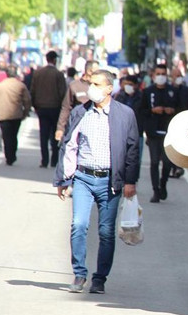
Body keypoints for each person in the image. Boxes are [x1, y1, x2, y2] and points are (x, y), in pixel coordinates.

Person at [54, 69, 139, 294]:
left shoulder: (125, 114)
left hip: (110, 181)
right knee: (78, 224)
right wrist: (62, 178)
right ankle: (79, 274)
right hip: (83, 178)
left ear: (109, 89)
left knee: (106, 231)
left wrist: (130, 181)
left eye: (97, 84)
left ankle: (100, 278)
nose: (91, 88)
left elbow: (132, 150)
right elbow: (68, 145)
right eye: (90, 83)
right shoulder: (81, 113)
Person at [140, 64, 180, 203]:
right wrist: (152, 111)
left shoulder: (173, 91)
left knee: (168, 162)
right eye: (158, 73)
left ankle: (163, 183)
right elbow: (142, 110)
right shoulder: (148, 91)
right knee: (154, 162)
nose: (161, 76)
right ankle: (155, 190)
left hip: (169, 132)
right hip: (153, 133)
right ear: (153, 76)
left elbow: (180, 108)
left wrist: (171, 110)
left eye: (163, 73)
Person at [30, 50, 67, 168]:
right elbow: (63, 93)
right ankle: (54, 160)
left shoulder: (38, 73)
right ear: (55, 60)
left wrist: (35, 105)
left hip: (41, 108)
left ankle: (44, 160)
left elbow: (33, 91)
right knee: (55, 134)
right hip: (55, 108)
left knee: (43, 134)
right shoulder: (59, 74)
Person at [0, 66, 31, 165]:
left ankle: (9, 156)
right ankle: (12, 154)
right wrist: (26, 112)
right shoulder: (20, 85)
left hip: (2, 114)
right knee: (14, 135)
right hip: (16, 114)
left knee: (6, 136)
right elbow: (27, 100)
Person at [56, 60, 98, 141]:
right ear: (89, 71)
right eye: (97, 71)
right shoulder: (74, 85)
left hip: (94, 128)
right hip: (76, 126)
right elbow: (66, 107)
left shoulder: (98, 86)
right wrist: (60, 128)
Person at [114, 75, 144, 169]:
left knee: (135, 160)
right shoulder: (119, 96)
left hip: (137, 132)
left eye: (130, 84)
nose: (128, 86)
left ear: (135, 85)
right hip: (121, 132)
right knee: (120, 158)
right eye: (126, 84)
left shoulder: (141, 97)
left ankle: (133, 180)